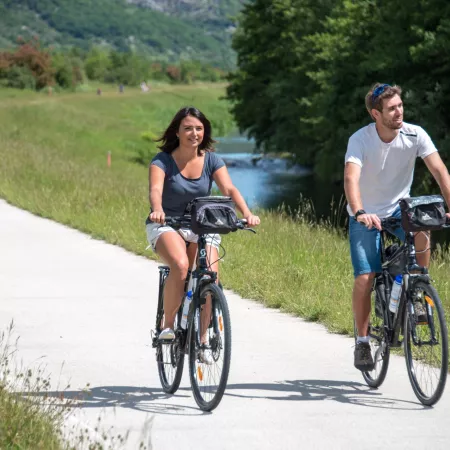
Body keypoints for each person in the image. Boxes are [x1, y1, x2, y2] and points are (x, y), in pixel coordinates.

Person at [344, 82, 450, 371]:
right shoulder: (360, 140)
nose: (399, 112)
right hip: (366, 214)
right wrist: (360, 211)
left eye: (400, 105)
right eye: (391, 109)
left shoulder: (415, 134)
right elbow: (351, 178)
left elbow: (440, 171)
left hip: (399, 209)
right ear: (375, 114)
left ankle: (419, 289)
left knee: (423, 230)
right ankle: (363, 341)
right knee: (366, 277)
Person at [146, 106, 260, 358]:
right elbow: (155, 190)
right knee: (180, 265)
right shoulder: (162, 161)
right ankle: (168, 326)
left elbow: (229, 189)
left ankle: (203, 340)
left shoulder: (211, 160)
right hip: (168, 223)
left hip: (201, 224)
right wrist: (157, 209)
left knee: (210, 276)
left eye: (199, 128)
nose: (194, 133)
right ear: (177, 132)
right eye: (188, 128)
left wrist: (246, 213)